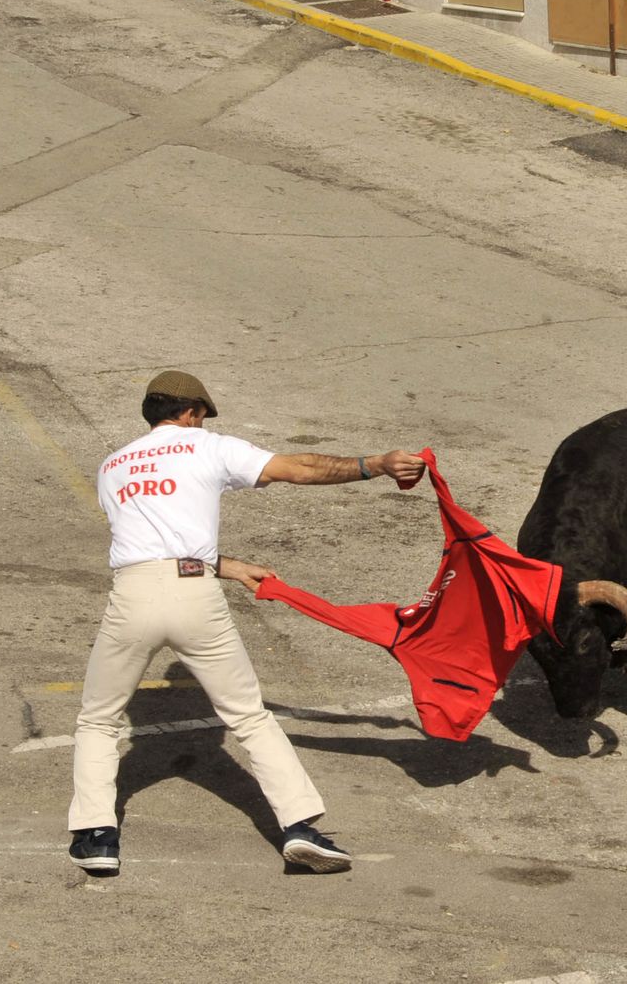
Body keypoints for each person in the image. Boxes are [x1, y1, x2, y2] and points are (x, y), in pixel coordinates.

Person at [67, 369, 426, 875]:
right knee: (249, 716)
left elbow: (154, 540)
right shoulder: (205, 446)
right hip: (196, 597)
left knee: (99, 720)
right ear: (191, 412)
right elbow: (298, 467)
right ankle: (299, 827)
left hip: (132, 595)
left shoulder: (112, 466)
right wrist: (375, 464)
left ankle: (96, 837)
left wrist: (230, 566)